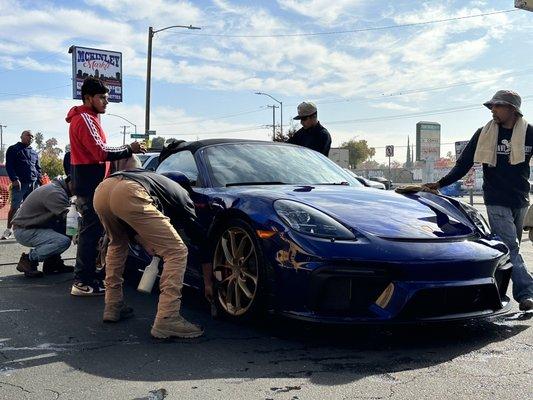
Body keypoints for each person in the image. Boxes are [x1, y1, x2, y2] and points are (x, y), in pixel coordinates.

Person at [424, 90, 533, 311]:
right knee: (511, 246)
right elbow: (464, 164)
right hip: (495, 198)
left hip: (520, 198)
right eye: (491, 106)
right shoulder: (483, 133)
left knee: (511, 249)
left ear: (512, 109)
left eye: (497, 106)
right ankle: (527, 293)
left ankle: (496, 287)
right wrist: (440, 183)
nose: (492, 110)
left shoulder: (529, 133)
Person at [93, 157, 207, 338]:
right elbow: (198, 238)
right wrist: (208, 283)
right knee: (177, 251)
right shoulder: (183, 196)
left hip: (103, 189)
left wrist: (145, 240)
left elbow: (128, 225)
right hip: (129, 191)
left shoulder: (155, 181)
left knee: (117, 243)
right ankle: (168, 317)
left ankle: (113, 305)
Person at [67, 77, 145, 296]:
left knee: (91, 231)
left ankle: (87, 278)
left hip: (88, 182)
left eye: (107, 98)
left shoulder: (86, 117)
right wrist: (130, 148)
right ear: (88, 98)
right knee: (91, 233)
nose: (106, 102)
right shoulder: (85, 118)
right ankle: (82, 282)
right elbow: (100, 152)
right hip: (90, 183)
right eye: (102, 98)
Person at [12, 176, 74, 277]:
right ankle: (28, 259)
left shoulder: (57, 188)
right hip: (24, 230)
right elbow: (70, 219)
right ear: (71, 182)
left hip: (28, 226)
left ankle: (52, 263)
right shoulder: (56, 193)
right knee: (63, 241)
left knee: (64, 229)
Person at [2, 130, 42, 240]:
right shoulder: (13, 149)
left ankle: (27, 229)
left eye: (32, 136)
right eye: (28, 135)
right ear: (21, 136)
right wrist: (14, 179)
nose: (31, 137)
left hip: (33, 184)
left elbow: (38, 168)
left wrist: (39, 179)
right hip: (20, 184)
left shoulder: (34, 152)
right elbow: (9, 166)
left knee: (31, 207)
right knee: (14, 207)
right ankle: (8, 230)